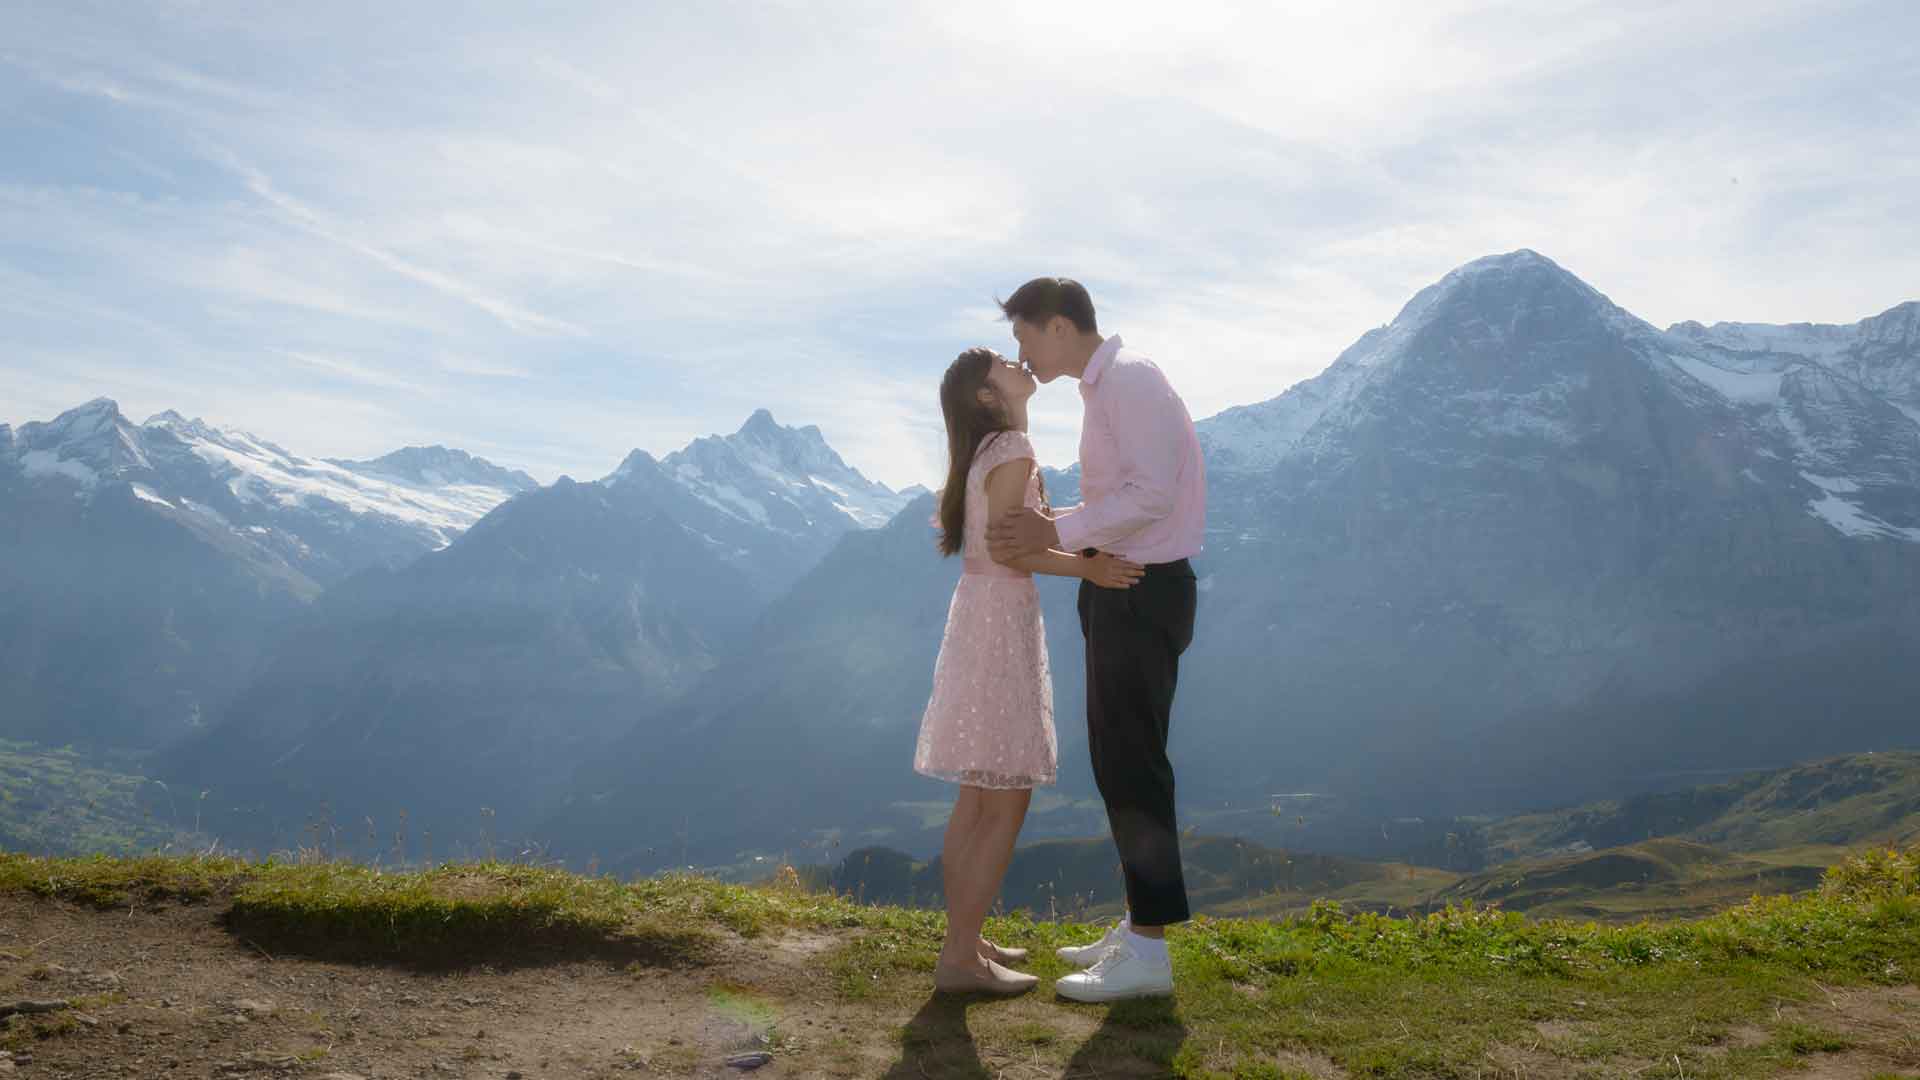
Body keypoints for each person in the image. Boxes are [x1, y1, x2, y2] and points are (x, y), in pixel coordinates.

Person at [986, 278, 1206, 1002]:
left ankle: (1149, 954)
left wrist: (1056, 529)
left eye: (1023, 336)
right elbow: (1127, 499)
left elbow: (1153, 497)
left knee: (1133, 762)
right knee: (1120, 760)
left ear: (1056, 326)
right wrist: (1070, 526)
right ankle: (1141, 927)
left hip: (1142, 592)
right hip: (1122, 586)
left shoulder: (1130, 380)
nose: (1022, 351)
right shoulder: (1105, 388)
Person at [914, 345, 1145, 995]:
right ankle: (960, 959)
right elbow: (1016, 549)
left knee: (976, 795)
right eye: (1004, 365)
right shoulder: (1012, 451)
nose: (1021, 364)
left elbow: (1017, 535)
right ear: (988, 396)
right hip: (1001, 624)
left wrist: (1077, 533)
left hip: (977, 620)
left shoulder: (984, 454)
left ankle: (964, 936)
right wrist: (1091, 566)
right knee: (1006, 797)